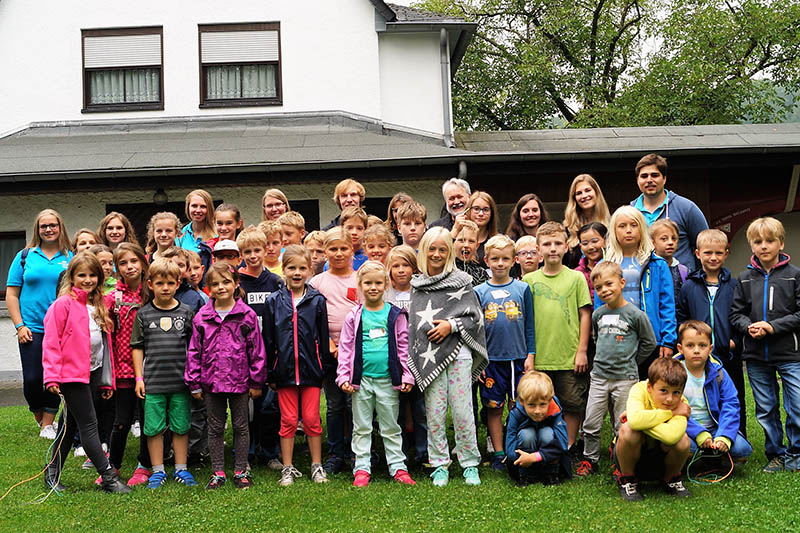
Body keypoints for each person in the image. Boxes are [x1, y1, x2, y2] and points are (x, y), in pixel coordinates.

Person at [41, 252, 130, 494]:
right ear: (72, 277)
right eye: (82, 275)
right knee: (89, 425)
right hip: (71, 376)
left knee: (69, 426)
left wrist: (106, 381)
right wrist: (51, 376)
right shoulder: (62, 305)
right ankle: (108, 477)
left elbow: (105, 344)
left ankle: (51, 473)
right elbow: (51, 342)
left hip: (94, 372)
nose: (87, 279)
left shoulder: (100, 305)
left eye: (93, 275)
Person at [407, 227, 489, 487]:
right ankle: (440, 463)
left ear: (450, 252)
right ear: (424, 251)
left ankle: (469, 462)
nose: (437, 254)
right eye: (432, 248)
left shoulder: (462, 281)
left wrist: (450, 326)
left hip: (459, 353)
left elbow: (474, 317)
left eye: (443, 249)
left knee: (464, 411)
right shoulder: (417, 286)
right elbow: (415, 325)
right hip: (431, 357)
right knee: (434, 412)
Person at [185, 262, 266, 490]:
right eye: (215, 284)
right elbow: (194, 351)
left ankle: (241, 470)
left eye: (226, 282)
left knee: (241, 426)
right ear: (208, 287)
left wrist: (256, 380)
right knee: (215, 427)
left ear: (236, 284)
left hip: (240, 382)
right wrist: (194, 382)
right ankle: (217, 471)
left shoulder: (246, 315)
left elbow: (257, 350)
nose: (221, 287)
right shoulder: (202, 317)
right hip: (211, 382)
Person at [337, 261, 417, 486]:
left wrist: (406, 375)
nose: (373, 287)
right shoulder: (354, 315)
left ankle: (398, 467)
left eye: (378, 283)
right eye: (368, 283)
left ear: (386, 285)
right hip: (360, 382)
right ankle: (362, 468)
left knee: (390, 426)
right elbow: (345, 348)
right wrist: (344, 376)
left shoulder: (395, 314)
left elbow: (404, 347)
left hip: (387, 381)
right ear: (360, 285)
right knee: (361, 427)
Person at [730, 217, 800, 472]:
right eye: (758, 242)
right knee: (766, 408)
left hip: (790, 354)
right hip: (756, 356)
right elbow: (736, 314)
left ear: (781, 243)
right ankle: (776, 453)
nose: (764, 246)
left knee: (797, 405)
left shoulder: (795, 276)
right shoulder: (745, 279)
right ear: (751, 245)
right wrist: (749, 326)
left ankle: (796, 453)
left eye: (770, 241)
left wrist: (773, 326)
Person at [576, 262, 657, 476]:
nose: (605, 290)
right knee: (591, 421)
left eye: (609, 284)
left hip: (625, 378)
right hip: (600, 377)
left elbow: (649, 343)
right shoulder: (598, 314)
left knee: (621, 423)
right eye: (599, 287)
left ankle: (621, 461)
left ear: (622, 283)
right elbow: (596, 337)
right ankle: (589, 460)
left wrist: (632, 360)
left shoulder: (635, 314)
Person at [263, 246, 331, 485]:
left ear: (309, 270)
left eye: (302, 268)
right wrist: (271, 371)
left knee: (312, 419)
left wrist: (323, 368)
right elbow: (268, 338)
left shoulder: (317, 301)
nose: (297, 272)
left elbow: (323, 338)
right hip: (284, 372)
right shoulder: (274, 301)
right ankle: (288, 467)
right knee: (289, 420)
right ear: (284, 270)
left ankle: (316, 465)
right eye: (292, 268)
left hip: (311, 371)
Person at [523, 222, 591, 451]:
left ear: (566, 247)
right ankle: (540, 444)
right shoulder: (529, 281)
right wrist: (529, 354)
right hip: (540, 355)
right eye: (547, 244)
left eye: (558, 243)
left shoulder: (576, 278)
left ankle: (568, 446)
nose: (552, 248)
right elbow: (525, 321)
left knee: (572, 403)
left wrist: (581, 351)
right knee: (538, 402)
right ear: (538, 249)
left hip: (569, 355)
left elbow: (584, 315)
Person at [132, 259, 198, 489]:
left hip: (181, 383)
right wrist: (139, 378)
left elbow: (193, 348)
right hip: (153, 383)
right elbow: (137, 347)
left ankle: (182, 469)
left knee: (181, 426)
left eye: (170, 283)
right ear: (150, 284)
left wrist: (194, 377)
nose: (165, 288)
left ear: (178, 283)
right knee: (153, 428)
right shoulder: (143, 314)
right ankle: (158, 471)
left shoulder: (187, 313)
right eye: (160, 283)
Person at [6, 209, 72, 437]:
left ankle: (48, 423)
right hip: (31, 328)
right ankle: (37, 412)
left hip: (61, 329)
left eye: (53, 225)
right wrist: (19, 325)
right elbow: (12, 294)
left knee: (53, 376)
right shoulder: (25, 256)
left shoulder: (70, 257)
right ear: (38, 229)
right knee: (32, 379)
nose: (48, 229)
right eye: (44, 226)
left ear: (60, 227)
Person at [474, 235, 536, 471]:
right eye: (495, 259)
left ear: (514, 261)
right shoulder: (479, 291)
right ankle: (499, 452)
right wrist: (477, 363)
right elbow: (475, 331)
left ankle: (516, 449)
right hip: (491, 362)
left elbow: (529, 325)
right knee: (493, 407)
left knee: (518, 406)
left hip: (518, 359)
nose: (500, 263)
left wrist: (530, 355)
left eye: (505, 259)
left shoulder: (522, 289)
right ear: (487, 260)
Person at [677, 229, 746, 437]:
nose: (713, 257)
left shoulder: (735, 285)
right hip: (698, 355)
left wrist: (734, 342)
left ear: (726, 253)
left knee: (734, 397)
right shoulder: (689, 286)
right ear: (697, 254)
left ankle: (736, 437)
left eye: (718, 253)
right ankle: (698, 436)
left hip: (728, 354)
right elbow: (681, 317)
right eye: (707, 253)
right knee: (701, 395)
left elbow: (741, 316)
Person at [599, 206, 676, 378]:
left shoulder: (658, 264)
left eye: (633, 225)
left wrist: (668, 340)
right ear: (614, 231)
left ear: (641, 228)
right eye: (622, 226)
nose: (628, 230)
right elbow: (599, 306)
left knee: (650, 390)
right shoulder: (604, 265)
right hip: (617, 338)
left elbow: (667, 305)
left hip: (650, 339)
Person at [309, 227, 362, 474]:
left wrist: (349, 347)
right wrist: (329, 343)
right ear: (325, 252)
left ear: (352, 250)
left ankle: (356, 452)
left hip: (355, 352)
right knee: (334, 404)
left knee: (354, 404)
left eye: (344, 248)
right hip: (329, 353)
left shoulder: (360, 279)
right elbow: (311, 319)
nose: (339, 253)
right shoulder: (317, 282)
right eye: (333, 249)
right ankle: (335, 452)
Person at [236, 226, 283, 469]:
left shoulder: (276, 282)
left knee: (269, 406)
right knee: (246, 408)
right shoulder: (237, 282)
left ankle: (271, 452)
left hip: (271, 352)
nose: (253, 256)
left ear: (266, 250)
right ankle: (247, 451)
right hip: (244, 354)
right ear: (241, 253)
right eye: (247, 251)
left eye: (257, 250)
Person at [613, 358, 693, 501]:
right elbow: (635, 422)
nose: (670, 399)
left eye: (676, 392)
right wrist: (671, 413)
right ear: (650, 387)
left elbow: (671, 436)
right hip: (633, 455)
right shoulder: (639, 389)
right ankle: (628, 480)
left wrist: (640, 420)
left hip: (660, 459)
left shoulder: (683, 404)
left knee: (683, 440)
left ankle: (671, 480)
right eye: (663, 390)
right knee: (628, 430)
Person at [105, 243, 150, 486]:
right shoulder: (113, 299)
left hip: (150, 370)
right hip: (122, 371)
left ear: (143, 262)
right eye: (123, 263)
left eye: (133, 261)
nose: (129, 267)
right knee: (120, 421)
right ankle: (113, 466)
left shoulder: (152, 293)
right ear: (117, 268)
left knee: (147, 421)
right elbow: (107, 335)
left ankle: (145, 465)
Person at [674, 320, 752, 462]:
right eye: (690, 345)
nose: (696, 350)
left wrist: (724, 436)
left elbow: (731, 404)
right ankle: (697, 457)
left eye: (702, 345)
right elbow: (670, 408)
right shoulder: (672, 373)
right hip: (685, 428)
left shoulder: (719, 373)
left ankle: (713, 456)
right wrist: (698, 433)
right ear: (680, 348)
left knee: (742, 450)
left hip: (715, 428)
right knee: (685, 446)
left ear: (710, 349)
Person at [384, 246, 427, 465]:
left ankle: (423, 452)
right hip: (394, 359)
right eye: (396, 266)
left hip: (420, 357)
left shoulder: (421, 292)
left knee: (421, 408)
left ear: (414, 268)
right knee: (396, 409)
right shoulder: (385, 294)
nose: (401, 270)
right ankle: (398, 454)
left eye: (406, 265)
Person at [630, 153, 708, 269]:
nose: (649, 180)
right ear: (637, 180)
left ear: (664, 178)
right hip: (644, 283)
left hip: (682, 283)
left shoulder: (686, 208)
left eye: (655, 175)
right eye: (644, 176)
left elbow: (706, 246)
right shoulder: (630, 213)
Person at [505, 371, 569, 486]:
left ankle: (551, 474)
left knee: (547, 433)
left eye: (543, 404)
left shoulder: (555, 411)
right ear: (522, 401)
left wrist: (534, 457)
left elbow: (563, 443)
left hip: (545, 456)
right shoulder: (516, 413)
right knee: (527, 434)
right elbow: (509, 448)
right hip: (523, 457)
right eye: (531, 405)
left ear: (550, 400)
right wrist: (522, 458)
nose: (537, 411)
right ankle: (525, 475)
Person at [563, 175, 611, 268]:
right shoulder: (567, 229)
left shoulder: (611, 225)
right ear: (574, 199)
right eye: (579, 193)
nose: (584, 196)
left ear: (596, 192)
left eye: (588, 190)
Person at [197, 203, 244, 282]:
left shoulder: (245, 250)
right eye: (219, 223)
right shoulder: (206, 251)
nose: (223, 228)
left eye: (229, 223)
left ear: (238, 224)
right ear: (214, 223)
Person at [650, 219, 688, 305]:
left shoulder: (683, 271)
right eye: (664, 239)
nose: (670, 242)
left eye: (674, 238)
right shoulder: (648, 269)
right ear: (653, 242)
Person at [457, 191, 499, 265]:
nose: (481, 214)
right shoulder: (458, 236)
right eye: (476, 209)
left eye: (485, 210)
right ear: (468, 210)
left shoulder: (498, 240)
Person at [161, 247, 205, 313]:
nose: (176, 268)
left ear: (187, 270)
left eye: (181, 265)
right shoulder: (154, 290)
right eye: (171, 263)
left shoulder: (193, 297)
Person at [573, 222, 607, 301]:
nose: (590, 247)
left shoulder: (614, 267)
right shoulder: (577, 273)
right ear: (580, 246)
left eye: (595, 241)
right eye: (585, 243)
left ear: (605, 241)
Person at [453, 220, 488, 287]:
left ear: (477, 246)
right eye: (462, 240)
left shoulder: (480, 273)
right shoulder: (445, 268)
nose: (466, 245)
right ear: (453, 242)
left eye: (471, 241)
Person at [339, 206, 369, 270]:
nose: (354, 232)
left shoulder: (370, 257)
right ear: (341, 228)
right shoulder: (334, 259)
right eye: (349, 228)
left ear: (365, 230)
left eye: (359, 228)